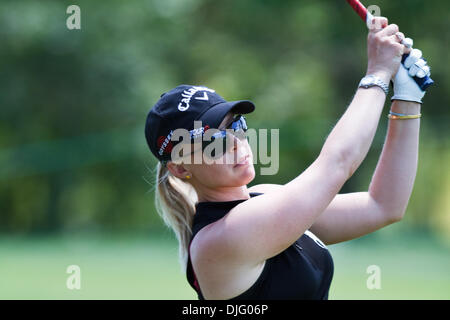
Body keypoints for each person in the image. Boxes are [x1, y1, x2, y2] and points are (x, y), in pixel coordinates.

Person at [144, 16, 432, 300]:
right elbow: (338, 163)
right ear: (180, 168)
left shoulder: (264, 197)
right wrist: (378, 73)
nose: (235, 143)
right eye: (212, 140)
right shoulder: (219, 240)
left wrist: (407, 97)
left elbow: (383, 206)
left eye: (235, 125)